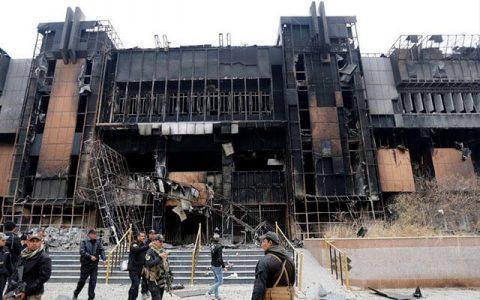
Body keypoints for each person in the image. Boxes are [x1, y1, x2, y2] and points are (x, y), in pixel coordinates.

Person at [5, 233, 51, 300]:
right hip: (18, 290)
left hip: (33, 293)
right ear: (27, 242)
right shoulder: (23, 254)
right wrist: (8, 291)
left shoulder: (44, 258)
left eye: (37, 241)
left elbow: (43, 277)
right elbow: (16, 273)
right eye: (32, 241)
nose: (34, 243)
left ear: (41, 242)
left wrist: (25, 291)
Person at [251, 232, 295, 300]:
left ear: (270, 242)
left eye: (263, 241)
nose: (261, 244)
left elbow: (259, 288)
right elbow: (292, 282)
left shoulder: (264, 261)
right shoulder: (290, 260)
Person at [73, 229, 106, 300]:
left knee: (93, 282)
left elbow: (101, 250)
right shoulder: (84, 241)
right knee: (82, 281)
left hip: (94, 266)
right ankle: (76, 293)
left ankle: (91, 297)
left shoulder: (98, 241)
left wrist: (104, 259)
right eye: (94, 235)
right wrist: (90, 256)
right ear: (90, 235)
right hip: (85, 265)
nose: (96, 236)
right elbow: (82, 251)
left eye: (96, 235)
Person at [144, 234, 171, 300]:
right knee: (157, 298)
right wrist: (159, 257)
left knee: (160, 297)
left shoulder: (162, 250)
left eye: (162, 241)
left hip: (161, 278)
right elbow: (149, 264)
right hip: (153, 279)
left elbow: (166, 264)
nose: (162, 243)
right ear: (155, 241)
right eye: (160, 241)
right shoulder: (150, 251)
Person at [128, 232, 149, 300]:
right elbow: (137, 250)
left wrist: (145, 266)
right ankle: (131, 298)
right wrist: (148, 246)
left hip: (140, 268)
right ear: (138, 237)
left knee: (136, 285)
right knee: (135, 284)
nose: (143, 237)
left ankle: (134, 298)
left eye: (144, 236)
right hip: (133, 268)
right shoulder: (134, 243)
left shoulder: (143, 245)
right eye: (142, 236)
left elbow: (144, 256)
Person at [206, 234, 226, 299]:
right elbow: (220, 258)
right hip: (217, 265)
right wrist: (224, 266)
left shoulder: (211, 245)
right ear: (218, 239)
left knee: (216, 281)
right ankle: (209, 291)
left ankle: (216, 296)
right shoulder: (219, 246)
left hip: (212, 264)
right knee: (220, 281)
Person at [0, 233, 13, 297]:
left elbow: (9, 264)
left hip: (3, 277)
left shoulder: (6, 249)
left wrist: (11, 273)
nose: (5, 241)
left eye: (5, 240)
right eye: (3, 240)